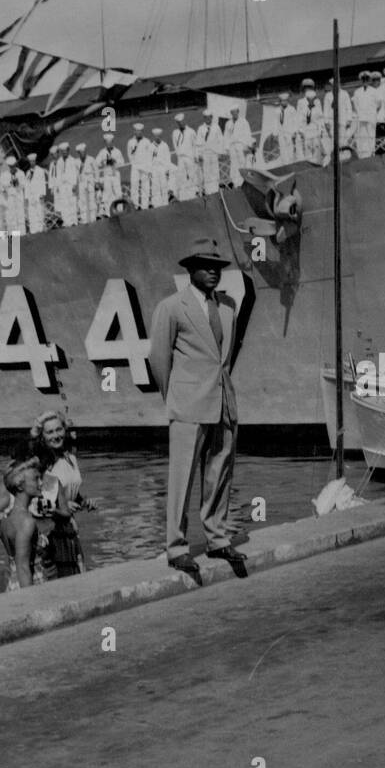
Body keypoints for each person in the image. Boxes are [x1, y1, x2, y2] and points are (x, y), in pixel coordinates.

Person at [149, 235, 248, 581]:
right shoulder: (172, 307)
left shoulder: (228, 307)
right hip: (188, 405)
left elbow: (224, 359)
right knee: (182, 478)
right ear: (190, 270)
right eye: (206, 266)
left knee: (219, 474)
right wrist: (176, 398)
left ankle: (218, 538)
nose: (213, 272)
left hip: (223, 401)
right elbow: (159, 360)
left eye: (218, 266)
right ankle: (176, 547)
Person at [31, 410, 95, 576]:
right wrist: (65, 507)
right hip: (51, 532)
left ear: (65, 430)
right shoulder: (44, 464)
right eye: (50, 432)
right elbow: (41, 504)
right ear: (42, 436)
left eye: (59, 430)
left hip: (69, 528)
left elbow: (70, 491)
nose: (56, 435)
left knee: (76, 575)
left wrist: (83, 501)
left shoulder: (70, 458)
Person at [0, 457, 54, 591]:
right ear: (20, 485)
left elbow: (14, 562)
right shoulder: (26, 521)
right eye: (36, 479)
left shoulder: (5, 520)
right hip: (31, 584)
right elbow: (23, 567)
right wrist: (29, 605)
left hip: (13, 584)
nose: (41, 483)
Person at [194, 110, 222, 196]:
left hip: (214, 153)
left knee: (215, 172)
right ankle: (209, 192)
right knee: (207, 173)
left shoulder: (216, 127)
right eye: (206, 117)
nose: (208, 119)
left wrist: (220, 152)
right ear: (204, 118)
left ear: (212, 117)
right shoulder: (201, 129)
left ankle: (216, 190)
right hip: (205, 154)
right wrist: (199, 154)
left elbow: (220, 140)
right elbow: (198, 143)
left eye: (209, 117)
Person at [352, 72, 380, 159]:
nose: (365, 81)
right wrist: (360, 113)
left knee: (371, 136)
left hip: (371, 117)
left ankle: (372, 154)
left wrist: (372, 113)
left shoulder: (374, 91)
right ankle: (363, 155)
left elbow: (378, 104)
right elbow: (355, 104)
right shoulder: (357, 92)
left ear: (369, 80)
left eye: (366, 79)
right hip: (361, 117)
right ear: (361, 80)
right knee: (361, 136)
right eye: (363, 79)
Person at [225, 107, 254, 187]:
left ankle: (243, 182)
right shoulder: (228, 123)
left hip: (241, 145)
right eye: (232, 112)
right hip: (232, 147)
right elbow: (226, 136)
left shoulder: (244, 122)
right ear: (231, 113)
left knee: (242, 164)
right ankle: (235, 183)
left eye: (235, 112)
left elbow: (248, 134)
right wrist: (227, 148)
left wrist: (248, 145)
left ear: (238, 112)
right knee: (234, 165)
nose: (234, 114)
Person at [97, 132, 125, 213]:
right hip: (107, 175)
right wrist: (103, 162)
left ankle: (120, 210)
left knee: (118, 193)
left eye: (110, 142)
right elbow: (97, 163)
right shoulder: (102, 152)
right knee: (107, 193)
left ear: (113, 142)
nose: (109, 144)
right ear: (105, 143)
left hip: (115, 175)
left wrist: (114, 161)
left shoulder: (117, 151)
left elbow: (122, 162)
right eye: (107, 142)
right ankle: (108, 212)